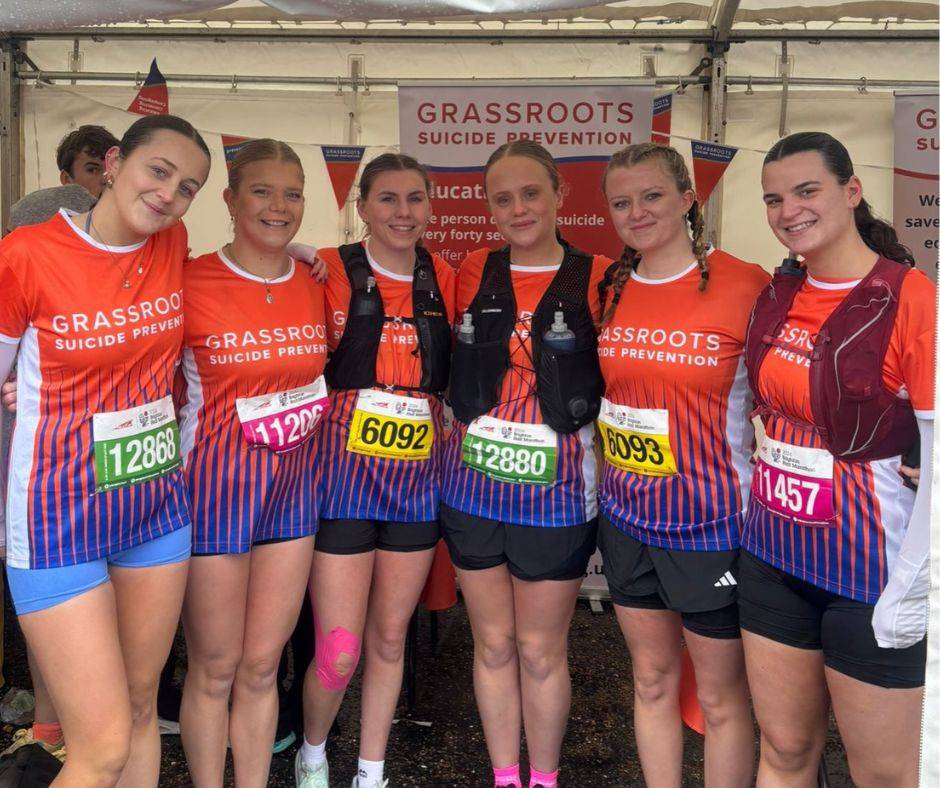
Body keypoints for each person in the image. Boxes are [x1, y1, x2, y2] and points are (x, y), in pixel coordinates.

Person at [0, 113, 211, 787]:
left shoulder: (173, 244)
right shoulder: (27, 253)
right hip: (59, 520)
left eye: (187, 188)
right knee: (100, 748)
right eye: (159, 170)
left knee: (142, 706)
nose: (169, 194)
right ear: (115, 162)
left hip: (154, 511)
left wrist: (297, 256)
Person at [739, 131, 935, 787]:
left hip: (868, 579)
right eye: (773, 198)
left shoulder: (911, 299)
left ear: (852, 191)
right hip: (772, 560)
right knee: (785, 753)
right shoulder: (777, 293)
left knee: (881, 777)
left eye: (806, 190)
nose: (788, 209)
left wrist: (911, 588)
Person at [594, 142, 768, 787]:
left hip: (713, 526)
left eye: (652, 196)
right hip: (628, 519)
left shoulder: (745, 283)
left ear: (688, 198)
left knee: (722, 700)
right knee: (651, 679)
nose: (636, 213)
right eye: (621, 202)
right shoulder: (609, 287)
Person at [440, 140, 610, 788]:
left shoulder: (599, 275)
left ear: (560, 195)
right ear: (488, 206)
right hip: (472, 494)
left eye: (530, 193)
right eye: (503, 198)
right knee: (494, 645)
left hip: (558, 498)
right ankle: (504, 776)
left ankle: (544, 778)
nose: (518, 208)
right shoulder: (470, 268)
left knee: (540, 651)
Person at [294, 153, 455, 788]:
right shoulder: (327, 267)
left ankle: (371, 767)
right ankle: (312, 752)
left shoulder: (447, 275)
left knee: (391, 639)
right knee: (338, 650)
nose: (403, 212)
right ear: (361, 207)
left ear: (430, 207)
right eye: (388, 199)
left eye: (416, 199)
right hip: (341, 484)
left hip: (416, 489)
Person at [176, 139, 328, 787]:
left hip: (293, 493)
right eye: (261, 191)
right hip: (213, 490)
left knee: (264, 667)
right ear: (230, 200)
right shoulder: (188, 279)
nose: (279, 205)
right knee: (214, 666)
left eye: (292, 193)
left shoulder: (319, 281)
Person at [56, 125, 120, 198]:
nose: (107, 180)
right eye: (93, 170)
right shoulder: (44, 207)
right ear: (67, 180)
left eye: (114, 169)